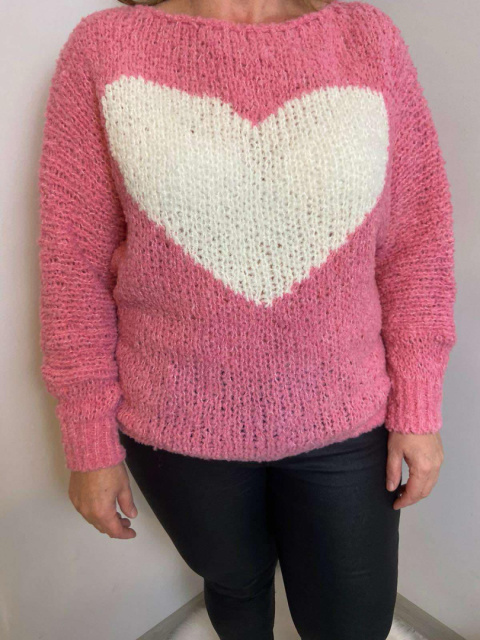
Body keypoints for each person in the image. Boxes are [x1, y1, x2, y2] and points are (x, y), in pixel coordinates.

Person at [37, 0, 457, 638]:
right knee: (235, 587)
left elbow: (415, 244)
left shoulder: (366, 38)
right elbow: (73, 265)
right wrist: (88, 438)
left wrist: (419, 403)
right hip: (177, 422)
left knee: (353, 622)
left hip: (346, 416)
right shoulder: (105, 48)